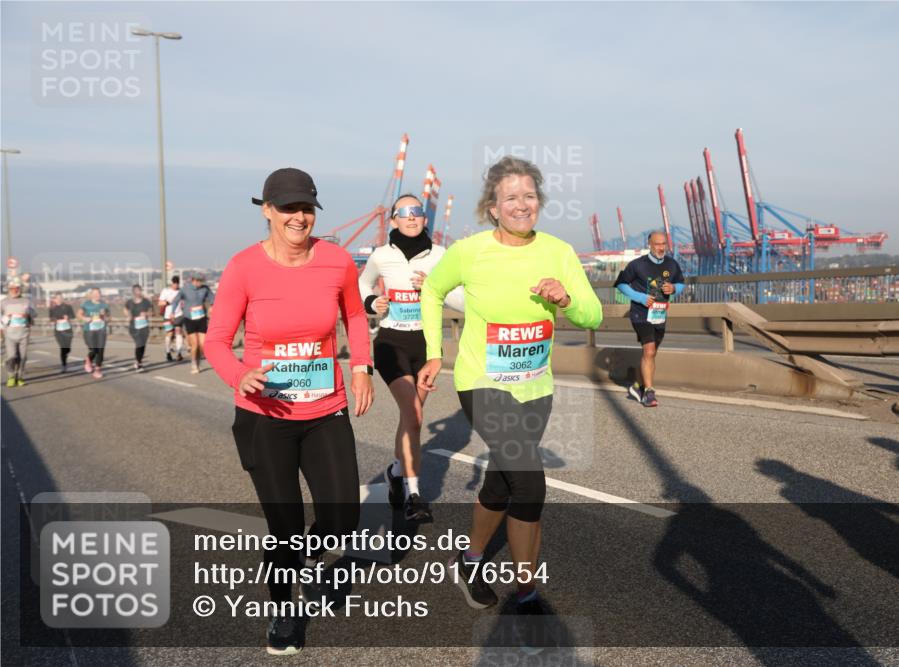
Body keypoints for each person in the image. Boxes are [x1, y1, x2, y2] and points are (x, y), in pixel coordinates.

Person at [417, 156, 602, 616]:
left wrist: (567, 298)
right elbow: (432, 291)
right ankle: (527, 591)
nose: (522, 205)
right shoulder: (470, 251)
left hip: (535, 386)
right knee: (530, 481)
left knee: (501, 483)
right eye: (511, 197)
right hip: (482, 382)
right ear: (493, 208)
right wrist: (434, 351)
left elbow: (593, 314)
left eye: (530, 196)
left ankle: (470, 559)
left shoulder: (558, 252)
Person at [204, 167, 374, 656]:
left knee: (342, 517)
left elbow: (355, 315)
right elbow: (216, 341)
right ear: (267, 211)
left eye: (306, 208)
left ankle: (304, 557)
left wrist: (361, 367)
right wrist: (240, 375)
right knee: (285, 528)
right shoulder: (243, 268)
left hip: (325, 408)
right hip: (264, 417)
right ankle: (284, 610)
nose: (298, 217)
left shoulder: (337, 260)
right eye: (287, 208)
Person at [358, 193, 464, 523]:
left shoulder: (441, 255)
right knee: (414, 412)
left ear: (424, 218)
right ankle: (413, 494)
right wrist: (372, 301)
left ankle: (394, 471)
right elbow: (360, 284)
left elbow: (463, 300)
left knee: (411, 419)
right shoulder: (381, 255)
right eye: (404, 212)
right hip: (392, 343)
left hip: (428, 345)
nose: (412, 217)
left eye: (417, 211)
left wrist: (435, 287)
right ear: (393, 220)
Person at [614, 231, 685, 407]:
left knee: (650, 354)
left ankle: (638, 386)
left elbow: (681, 282)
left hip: (660, 314)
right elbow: (621, 284)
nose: (661, 248)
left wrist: (674, 288)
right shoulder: (637, 265)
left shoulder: (672, 264)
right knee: (650, 351)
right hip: (640, 313)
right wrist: (639, 297)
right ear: (649, 245)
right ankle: (649, 392)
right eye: (657, 244)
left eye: (663, 244)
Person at [172, 273, 214, 374]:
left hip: (201, 318)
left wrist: (211, 307)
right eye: (198, 281)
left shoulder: (205, 289)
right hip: (189, 318)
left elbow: (213, 298)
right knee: (195, 344)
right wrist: (173, 312)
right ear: (193, 280)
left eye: (201, 281)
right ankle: (194, 363)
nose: (200, 283)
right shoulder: (185, 289)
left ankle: (198, 361)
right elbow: (176, 300)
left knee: (202, 344)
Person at [1, 278, 35, 386]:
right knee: (11, 356)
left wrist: (28, 315)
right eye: (12, 288)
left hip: (24, 333)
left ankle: (19, 377)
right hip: (9, 335)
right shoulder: (4, 302)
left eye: (17, 288)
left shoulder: (27, 301)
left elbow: (34, 314)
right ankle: (11, 376)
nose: (15, 290)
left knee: (23, 357)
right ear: (9, 289)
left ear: (20, 289)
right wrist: (6, 318)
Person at [78, 287, 110, 379]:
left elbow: (109, 318)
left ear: (100, 294)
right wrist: (85, 318)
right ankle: (88, 360)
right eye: (95, 293)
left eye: (98, 293)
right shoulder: (86, 304)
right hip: (89, 330)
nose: (97, 295)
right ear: (91, 295)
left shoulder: (104, 305)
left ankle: (97, 370)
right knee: (93, 349)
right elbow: (79, 314)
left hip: (101, 330)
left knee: (100, 350)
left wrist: (104, 316)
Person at [124, 284, 153, 372]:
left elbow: (152, 311)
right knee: (139, 343)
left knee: (143, 344)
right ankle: (138, 363)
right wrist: (128, 315)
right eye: (136, 291)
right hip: (133, 326)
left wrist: (146, 314)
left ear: (141, 291)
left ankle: (138, 361)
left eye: (139, 291)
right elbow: (125, 309)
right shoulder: (130, 302)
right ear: (133, 292)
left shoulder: (146, 301)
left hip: (144, 326)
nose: (138, 292)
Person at [158, 275, 185, 362]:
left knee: (178, 331)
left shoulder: (181, 292)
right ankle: (168, 352)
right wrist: (167, 302)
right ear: (172, 283)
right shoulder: (165, 291)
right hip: (167, 316)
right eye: (175, 283)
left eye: (177, 283)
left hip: (178, 315)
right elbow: (160, 303)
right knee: (169, 334)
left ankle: (179, 353)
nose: (176, 285)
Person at [48, 292, 75, 372]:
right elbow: (51, 318)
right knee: (63, 347)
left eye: (61, 298)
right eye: (57, 298)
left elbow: (73, 316)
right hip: (58, 331)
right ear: (55, 299)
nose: (59, 299)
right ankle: (64, 365)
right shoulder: (52, 308)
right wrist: (55, 320)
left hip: (68, 330)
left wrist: (68, 317)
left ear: (62, 299)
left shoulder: (68, 307)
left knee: (67, 348)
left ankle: (65, 358)